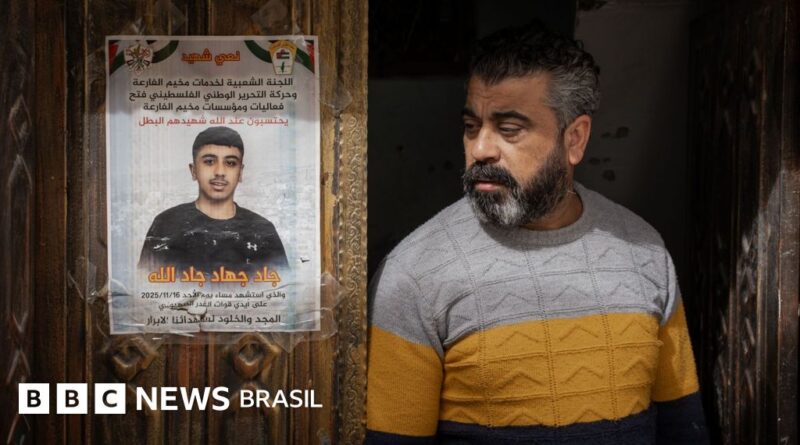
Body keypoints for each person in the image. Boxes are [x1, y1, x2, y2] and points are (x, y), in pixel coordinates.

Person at [366, 22, 708, 444]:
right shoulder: (413, 275)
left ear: (575, 139)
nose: (480, 149)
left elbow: (683, 426)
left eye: (509, 129)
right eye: (472, 126)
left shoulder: (644, 252)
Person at [138, 126, 289, 275]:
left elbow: (282, 287)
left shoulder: (263, 231)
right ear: (193, 170)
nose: (220, 172)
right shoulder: (166, 225)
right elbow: (143, 285)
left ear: (240, 172)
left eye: (230, 163)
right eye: (209, 161)